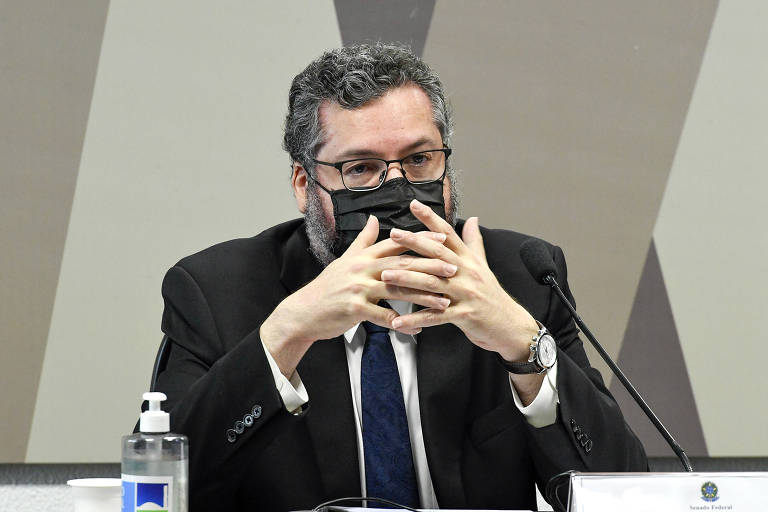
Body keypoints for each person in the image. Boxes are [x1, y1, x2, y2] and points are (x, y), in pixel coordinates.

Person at [150, 43, 647, 511]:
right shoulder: (217, 290)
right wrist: (286, 333)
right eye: (361, 169)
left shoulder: (520, 276)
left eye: (418, 160)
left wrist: (523, 347)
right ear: (304, 185)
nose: (397, 190)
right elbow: (161, 495)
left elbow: (624, 495)